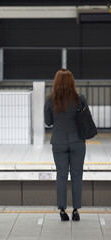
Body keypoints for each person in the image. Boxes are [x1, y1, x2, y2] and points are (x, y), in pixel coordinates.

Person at [44, 69, 88, 221]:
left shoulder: (50, 100)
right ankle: (76, 211)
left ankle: (62, 211)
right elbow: (86, 118)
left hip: (59, 142)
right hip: (77, 142)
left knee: (61, 176)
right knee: (77, 176)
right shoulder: (79, 99)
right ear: (72, 82)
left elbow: (48, 122)